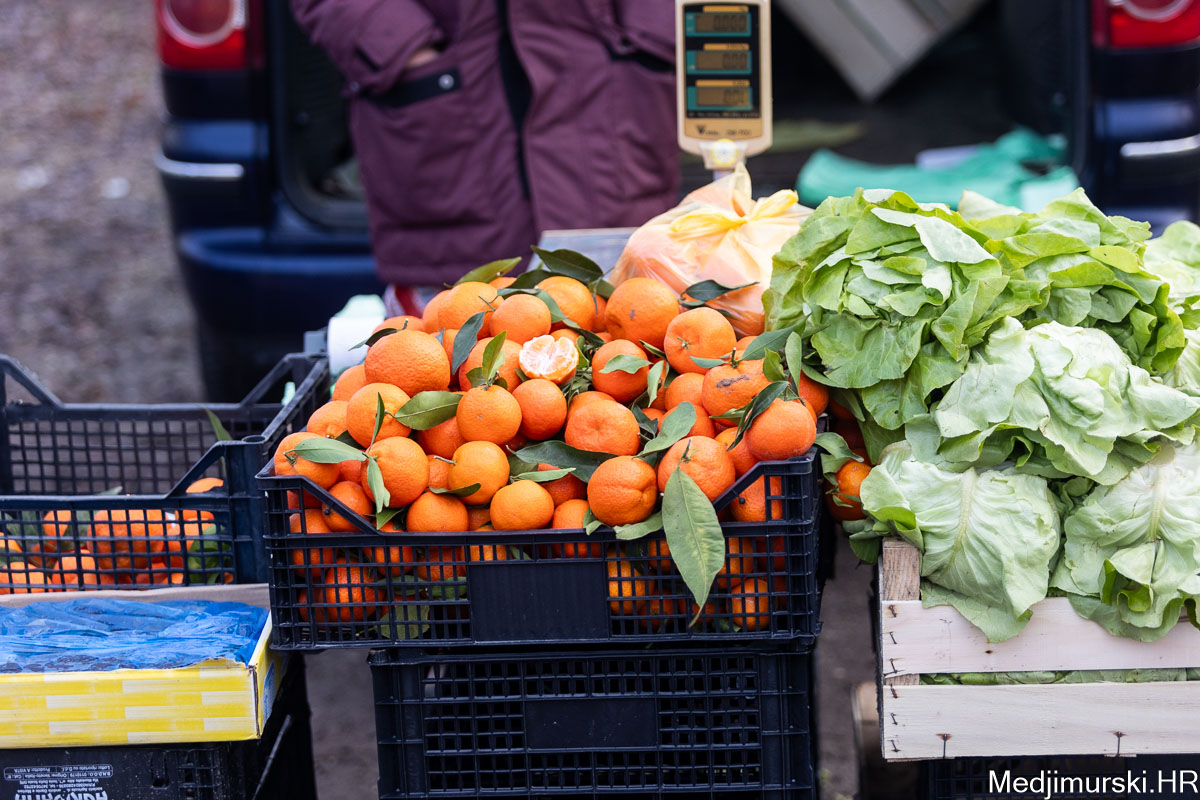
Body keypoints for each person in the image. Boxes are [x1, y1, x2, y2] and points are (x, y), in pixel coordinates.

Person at [291, 0, 680, 312]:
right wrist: (399, 44)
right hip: (448, 114)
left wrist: (656, 20)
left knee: (628, 328)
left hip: (611, 99)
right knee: (444, 352)